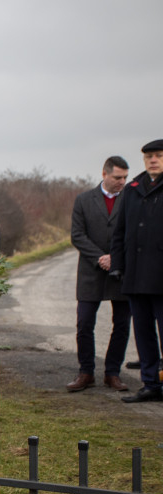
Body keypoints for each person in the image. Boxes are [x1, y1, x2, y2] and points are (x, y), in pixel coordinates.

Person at [66, 156, 131, 393]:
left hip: (121, 271)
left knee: (122, 324)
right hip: (91, 271)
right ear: (104, 174)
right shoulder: (84, 200)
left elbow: (133, 233)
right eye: (117, 177)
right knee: (84, 323)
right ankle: (86, 372)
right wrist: (100, 257)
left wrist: (116, 257)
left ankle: (112, 373)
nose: (122, 182)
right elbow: (77, 235)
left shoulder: (130, 198)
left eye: (125, 177)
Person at [111, 140, 163, 403]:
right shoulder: (132, 190)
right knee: (143, 333)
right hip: (135, 275)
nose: (153, 160)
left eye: (158, 155)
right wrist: (118, 265)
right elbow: (120, 231)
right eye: (149, 156)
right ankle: (151, 383)